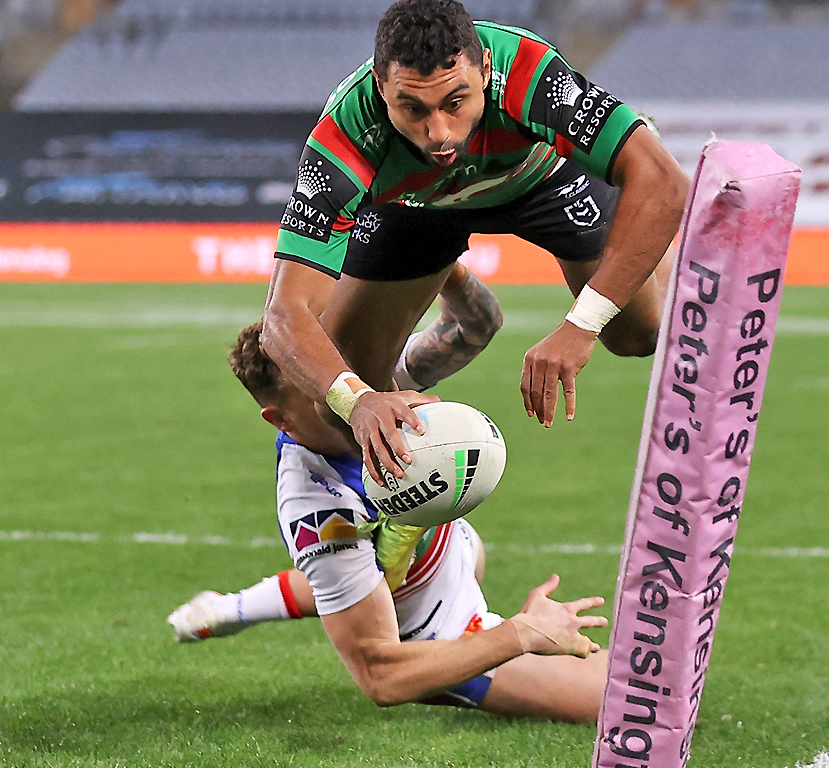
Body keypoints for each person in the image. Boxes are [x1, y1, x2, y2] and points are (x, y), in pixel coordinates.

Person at [261, 0, 691, 489]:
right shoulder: (344, 135)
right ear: (380, 87)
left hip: (540, 179)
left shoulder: (528, 71)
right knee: (337, 409)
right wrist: (358, 401)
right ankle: (427, 520)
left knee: (634, 337)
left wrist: (581, 325)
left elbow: (666, 181)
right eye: (412, 108)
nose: (439, 133)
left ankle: (666, 249)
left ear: (486, 69)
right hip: (416, 210)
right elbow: (284, 315)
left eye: (455, 102)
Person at [169, 264, 610, 722]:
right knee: (629, 700)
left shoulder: (357, 383)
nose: (352, 402)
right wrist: (521, 634)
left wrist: (442, 266)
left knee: (368, 565)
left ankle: (230, 608)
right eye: (320, 399)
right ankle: (452, 666)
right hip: (442, 636)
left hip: (448, 552)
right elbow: (382, 676)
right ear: (282, 420)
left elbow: (477, 325)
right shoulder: (320, 511)